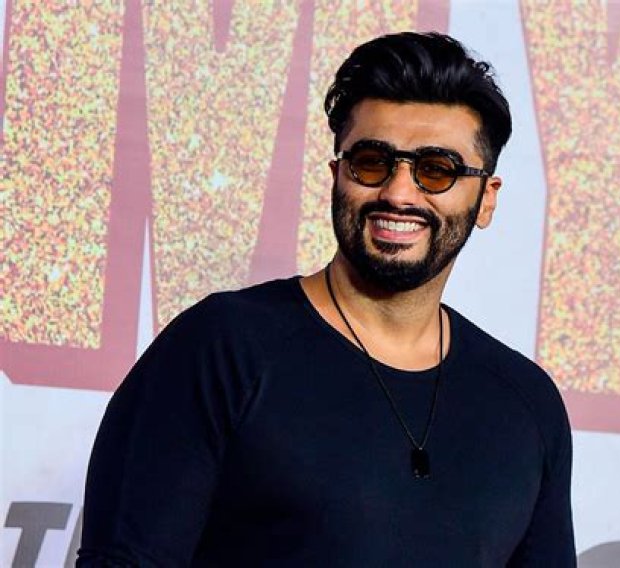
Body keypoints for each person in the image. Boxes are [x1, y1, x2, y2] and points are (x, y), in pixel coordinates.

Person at [78, 32, 575, 566]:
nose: (398, 193)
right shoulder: (221, 349)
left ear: (486, 199)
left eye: (436, 170)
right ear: (338, 176)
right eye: (371, 161)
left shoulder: (526, 405)